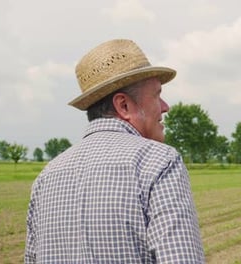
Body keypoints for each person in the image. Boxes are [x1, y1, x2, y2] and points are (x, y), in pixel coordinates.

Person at [24, 39, 205, 263]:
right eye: (157, 95)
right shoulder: (159, 161)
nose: (165, 107)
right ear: (124, 106)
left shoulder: (46, 176)